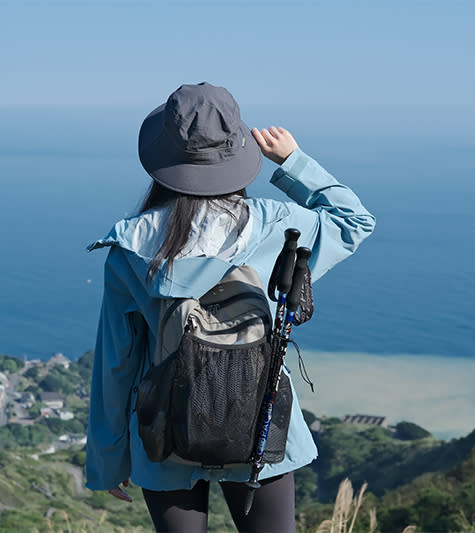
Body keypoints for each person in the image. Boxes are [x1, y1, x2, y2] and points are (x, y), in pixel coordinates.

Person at [85, 82, 375, 532]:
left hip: (164, 430)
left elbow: (116, 364)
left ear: (163, 158)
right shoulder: (279, 226)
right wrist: (293, 161)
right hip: (261, 424)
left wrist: (108, 460)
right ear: (236, 151)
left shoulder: (130, 246)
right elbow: (354, 221)